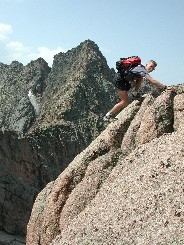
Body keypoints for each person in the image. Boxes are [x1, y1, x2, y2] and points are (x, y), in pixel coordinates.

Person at [104, 60, 173, 121]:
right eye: (151, 66)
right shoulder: (141, 70)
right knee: (124, 102)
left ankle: (135, 93)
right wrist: (165, 87)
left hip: (123, 81)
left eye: (153, 68)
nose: (151, 69)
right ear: (146, 64)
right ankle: (108, 115)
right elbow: (152, 81)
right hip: (120, 82)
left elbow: (138, 78)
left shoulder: (140, 68)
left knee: (140, 78)